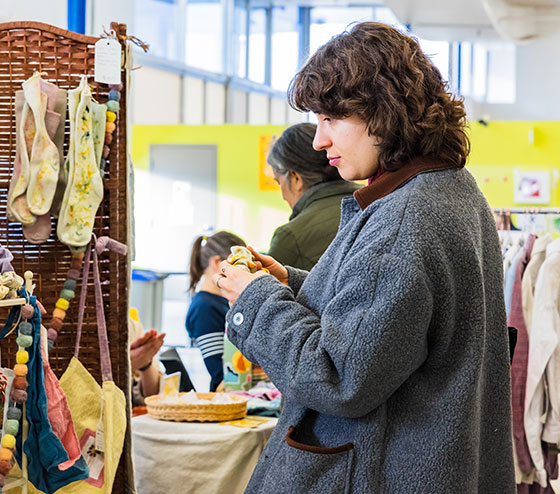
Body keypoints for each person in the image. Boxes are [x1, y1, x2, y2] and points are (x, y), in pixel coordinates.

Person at [214, 22, 515, 493]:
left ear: (385, 112)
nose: (319, 140)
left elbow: (338, 375)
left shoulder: (404, 217)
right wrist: (289, 283)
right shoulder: (451, 188)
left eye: (331, 119)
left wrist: (256, 300)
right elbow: (392, 320)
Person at [266, 123, 360, 270]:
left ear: (295, 178)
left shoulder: (291, 237)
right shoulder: (379, 202)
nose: (283, 196)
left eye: (279, 182)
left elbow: (269, 292)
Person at [186, 231, 246, 392]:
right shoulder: (204, 308)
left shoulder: (222, 302)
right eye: (241, 265)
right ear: (218, 262)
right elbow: (222, 374)